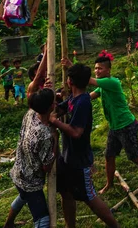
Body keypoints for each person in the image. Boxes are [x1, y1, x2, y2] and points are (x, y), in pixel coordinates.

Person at [62, 51, 138, 195]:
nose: (96, 71)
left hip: (126, 125)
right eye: (95, 68)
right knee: (109, 156)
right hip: (114, 127)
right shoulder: (102, 87)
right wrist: (70, 97)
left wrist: (71, 67)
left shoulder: (112, 82)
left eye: (100, 68)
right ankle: (109, 184)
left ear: (108, 70)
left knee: (134, 157)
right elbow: (88, 97)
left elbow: (86, 80)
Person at [50, 63, 119, 228]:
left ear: (70, 82)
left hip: (79, 161)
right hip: (67, 157)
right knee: (66, 193)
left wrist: (55, 122)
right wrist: (52, 100)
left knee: (90, 198)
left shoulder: (83, 102)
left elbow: (76, 132)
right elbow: (62, 108)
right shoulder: (74, 98)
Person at [4, 88, 56, 228]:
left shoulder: (31, 113)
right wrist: (55, 139)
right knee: (42, 219)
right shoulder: (45, 134)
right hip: (31, 181)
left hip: (18, 172)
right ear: (51, 106)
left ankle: (8, 224)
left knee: (23, 197)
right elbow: (47, 166)